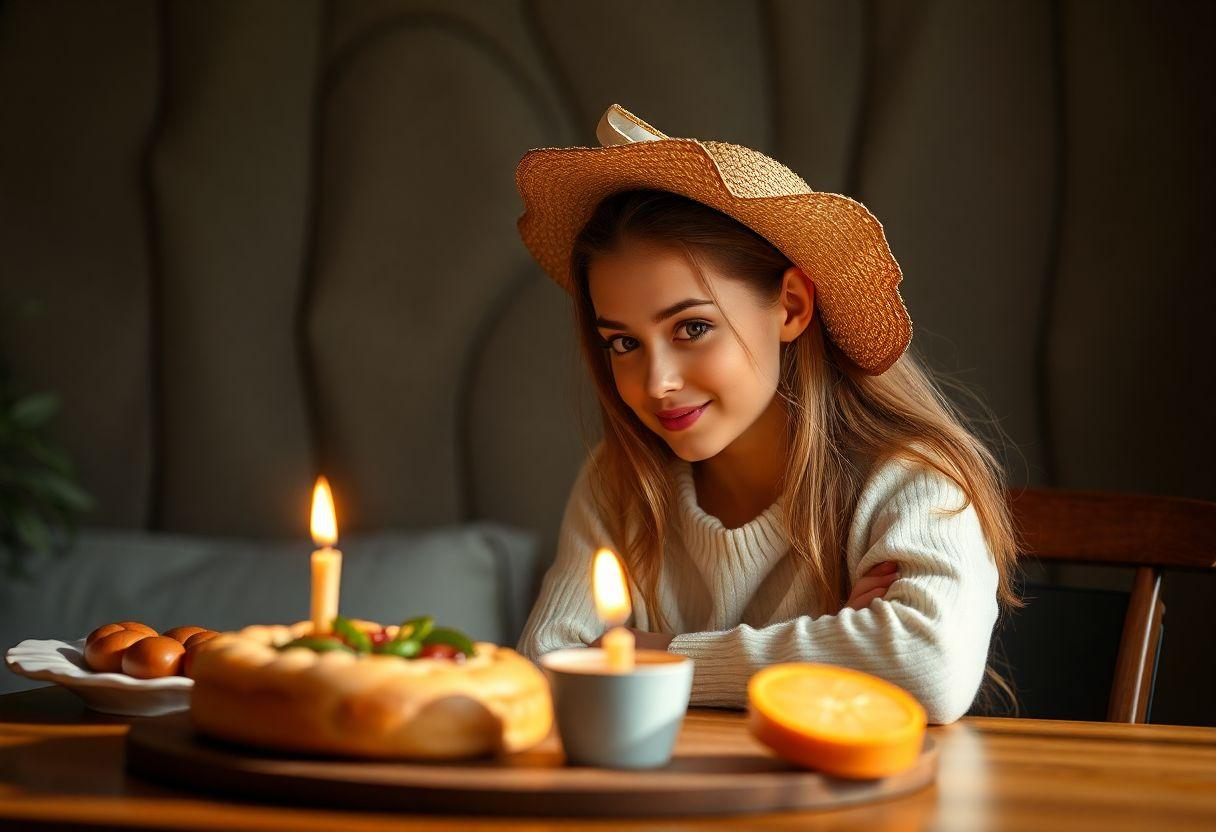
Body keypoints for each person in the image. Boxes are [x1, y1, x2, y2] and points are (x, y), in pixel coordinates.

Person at [512, 104, 1022, 724]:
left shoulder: (909, 477)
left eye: (692, 327)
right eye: (623, 342)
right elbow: (545, 664)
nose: (657, 381)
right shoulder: (618, 481)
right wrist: (835, 642)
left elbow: (925, 666)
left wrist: (657, 656)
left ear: (790, 307)